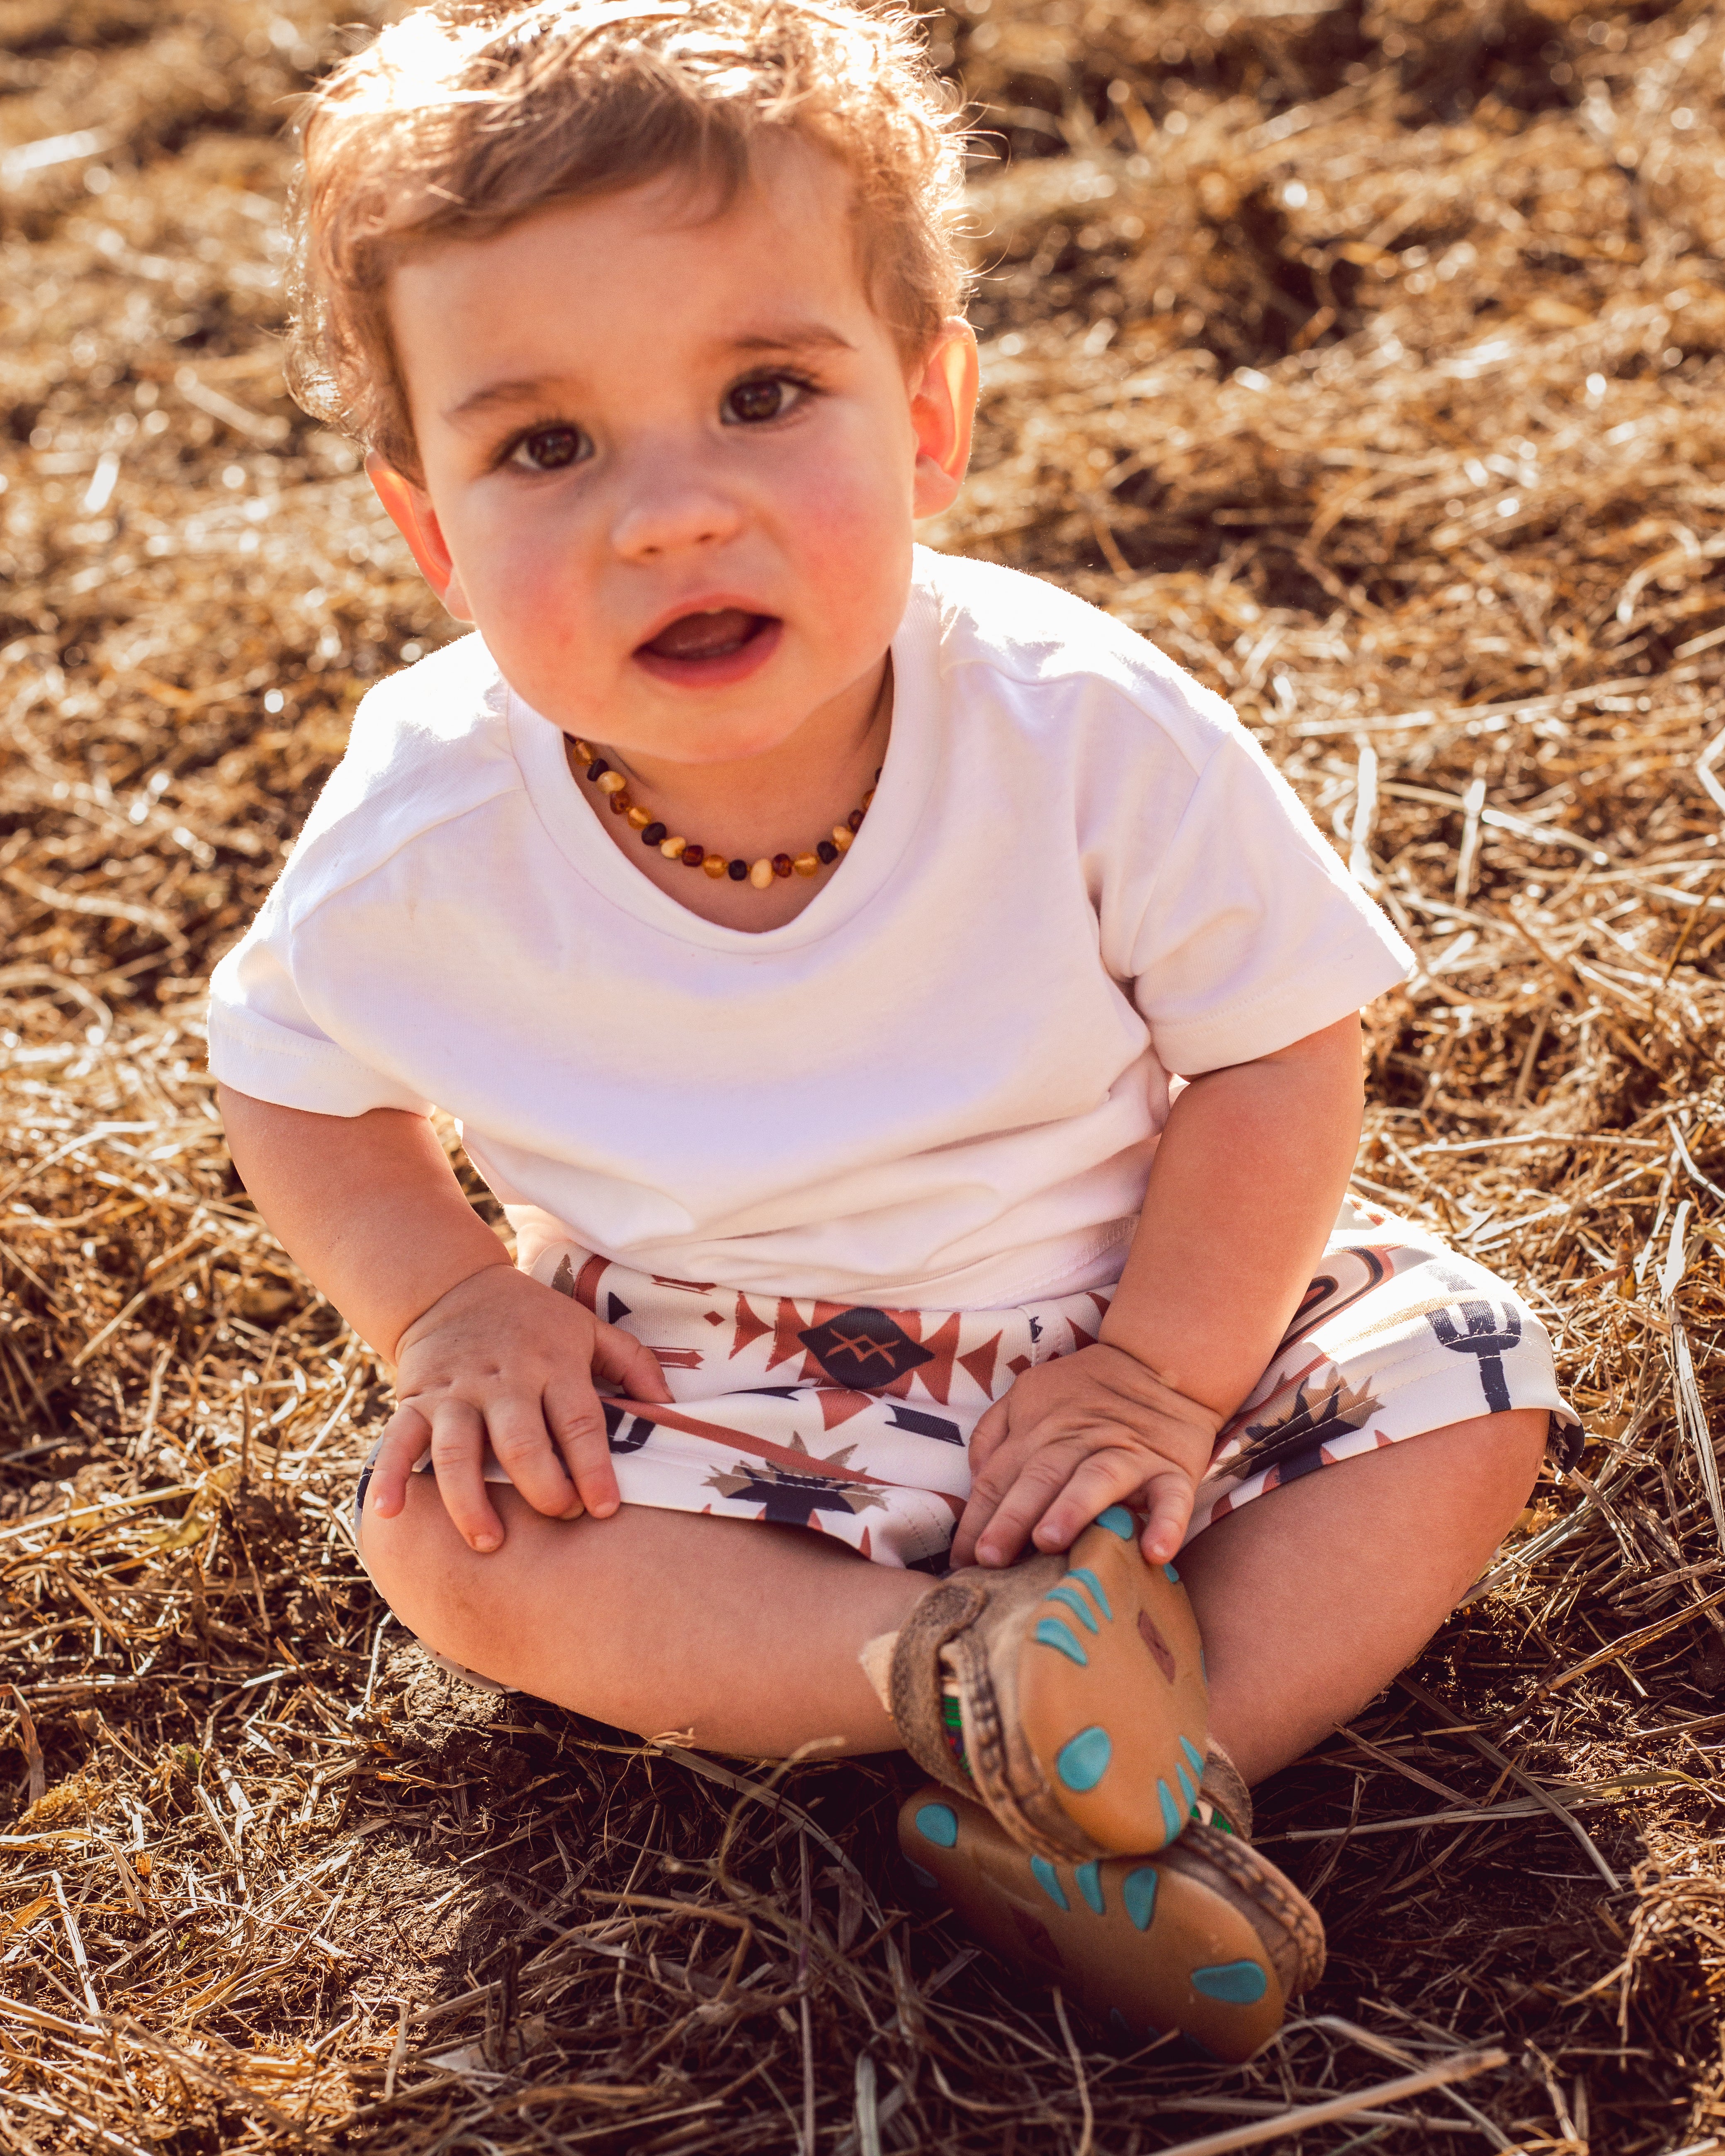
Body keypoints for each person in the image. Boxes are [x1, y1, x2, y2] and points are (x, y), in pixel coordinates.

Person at [209, 0, 1576, 2060]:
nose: (670, 511)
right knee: (450, 1531)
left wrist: (1160, 1374)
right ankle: (948, 1686)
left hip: (1123, 1333)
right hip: (722, 1398)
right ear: (430, 530)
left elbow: (1280, 1046)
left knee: (1465, 1380)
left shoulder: (1073, 719)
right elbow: (287, 1074)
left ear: (926, 419)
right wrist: (445, 1311)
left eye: (763, 392)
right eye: (546, 445)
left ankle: (1141, 1769)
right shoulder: (425, 823)